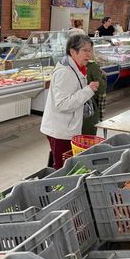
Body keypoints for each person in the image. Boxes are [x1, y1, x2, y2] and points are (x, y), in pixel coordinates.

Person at [40, 35, 99, 169]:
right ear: (73, 51)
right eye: (84, 50)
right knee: (63, 168)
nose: (88, 54)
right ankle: (57, 187)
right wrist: (88, 90)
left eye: (90, 50)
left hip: (67, 127)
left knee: (61, 163)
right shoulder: (65, 73)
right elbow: (62, 104)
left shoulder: (77, 68)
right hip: (60, 130)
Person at [82, 54, 107, 135]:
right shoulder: (93, 66)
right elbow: (101, 89)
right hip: (89, 108)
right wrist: (103, 77)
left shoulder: (67, 68)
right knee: (88, 137)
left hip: (73, 113)